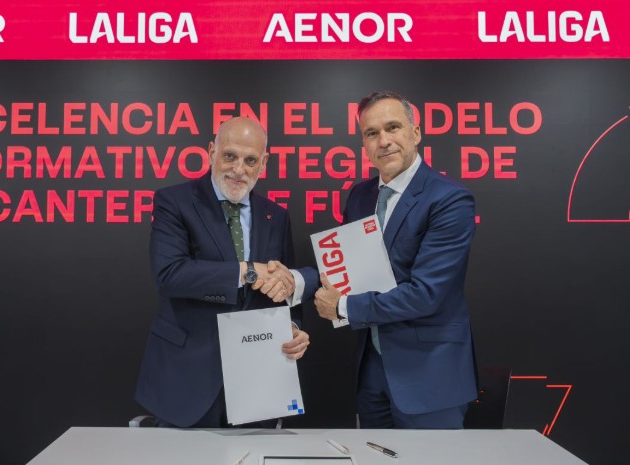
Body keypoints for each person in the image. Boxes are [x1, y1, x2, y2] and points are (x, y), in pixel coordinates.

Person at [135, 117, 318, 428]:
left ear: (264, 163)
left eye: (250, 160)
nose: (238, 169)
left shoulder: (276, 215)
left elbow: (283, 286)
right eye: (229, 156)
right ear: (211, 152)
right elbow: (169, 274)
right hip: (186, 379)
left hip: (256, 381)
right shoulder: (174, 201)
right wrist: (247, 271)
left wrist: (292, 327)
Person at [314, 91, 477, 429]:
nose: (384, 141)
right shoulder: (360, 196)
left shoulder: (449, 199)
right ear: (364, 144)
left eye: (393, 128)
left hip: (430, 375)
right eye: (372, 133)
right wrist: (293, 280)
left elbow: (425, 294)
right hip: (372, 372)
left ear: (415, 133)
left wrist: (343, 307)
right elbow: (344, 267)